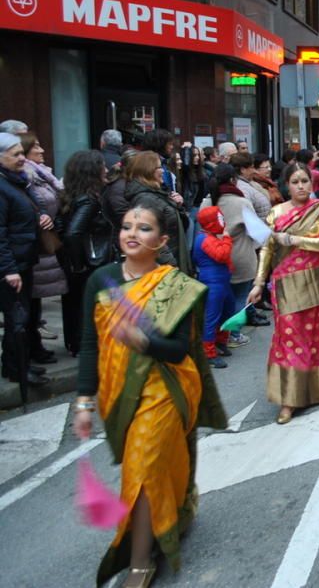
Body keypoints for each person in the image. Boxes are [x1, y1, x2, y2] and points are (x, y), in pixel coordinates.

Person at [72, 199, 227, 587]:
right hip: (118, 393)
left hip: (165, 389)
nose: (131, 234)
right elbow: (91, 345)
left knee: (142, 468)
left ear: (161, 240)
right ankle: (173, 514)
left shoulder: (176, 286)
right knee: (150, 469)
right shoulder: (101, 280)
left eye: (143, 229)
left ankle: (140, 561)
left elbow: (178, 351)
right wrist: (84, 402)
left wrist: (143, 341)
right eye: (126, 227)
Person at [247, 162, 319, 424]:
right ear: (287, 185)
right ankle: (289, 399)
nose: (301, 186)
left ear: (311, 183)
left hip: (316, 285)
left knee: (316, 339)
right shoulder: (276, 213)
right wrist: (259, 282)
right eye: (295, 182)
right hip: (285, 286)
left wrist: (293, 240)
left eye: (305, 181)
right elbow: (267, 250)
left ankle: (313, 390)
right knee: (289, 340)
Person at [0, 133, 50, 386]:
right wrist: (8, 269)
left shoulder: (17, 181)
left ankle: (20, 363)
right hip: (12, 266)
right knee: (16, 319)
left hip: (24, 260)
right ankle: (15, 368)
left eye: (22, 153)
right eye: (16, 154)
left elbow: (31, 206)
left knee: (22, 317)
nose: (23, 158)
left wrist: (41, 214)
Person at [60, 150, 115, 356]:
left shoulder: (71, 195)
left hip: (80, 261)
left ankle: (77, 343)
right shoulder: (89, 200)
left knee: (76, 304)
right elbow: (73, 233)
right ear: (92, 171)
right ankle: (85, 346)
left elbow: (62, 226)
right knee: (87, 305)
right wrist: (80, 263)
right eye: (102, 166)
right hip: (90, 261)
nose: (107, 170)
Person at [20, 132, 67, 362]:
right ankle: (29, 350)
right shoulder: (26, 176)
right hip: (33, 245)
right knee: (28, 302)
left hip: (44, 244)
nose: (42, 150)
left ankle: (33, 346)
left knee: (34, 302)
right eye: (36, 146)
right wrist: (40, 215)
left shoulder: (43, 173)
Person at [210, 164, 268, 350]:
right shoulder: (241, 203)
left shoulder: (208, 201)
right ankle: (233, 334)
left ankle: (219, 335)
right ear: (234, 180)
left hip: (215, 256)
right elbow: (256, 231)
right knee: (240, 297)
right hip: (241, 255)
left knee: (220, 299)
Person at [124, 151, 192, 276]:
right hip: (162, 268)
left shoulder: (156, 194)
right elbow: (149, 238)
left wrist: (176, 206)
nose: (163, 171)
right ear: (148, 170)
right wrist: (171, 265)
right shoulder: (145, 199)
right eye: (159, 167)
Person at [193, 206, 234, 369]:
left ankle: (220, 341)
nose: (223, 222)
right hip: (213, 283)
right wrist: (227, 239)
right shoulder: (205, 239)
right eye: (219, 218)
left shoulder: (207, 237)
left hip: (220, 282)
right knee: (212, 317)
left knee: (227, 312)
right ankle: (208, 352)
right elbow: (222, 254)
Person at [230, 152, 271, 219]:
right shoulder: (242, 188)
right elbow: (247, 214)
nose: (254, 171)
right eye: (251, 167)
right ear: (243, 170)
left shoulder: (246, 184)